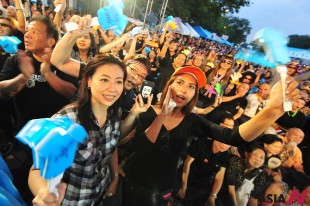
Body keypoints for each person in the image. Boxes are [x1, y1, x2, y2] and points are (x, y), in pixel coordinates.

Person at [121, 65, 300, 206]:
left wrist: (271, 111)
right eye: (180, 82)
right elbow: (141, 149)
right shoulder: (149, 110)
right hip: (133, 183)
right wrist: (163, 114)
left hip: (162, 190)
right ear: (170, 85)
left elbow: (233, 137)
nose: (184, 89)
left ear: (194, 95)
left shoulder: (193, 120)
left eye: (191, 87)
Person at [28, 54, 152, 205]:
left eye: (118, 81)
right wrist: (44, 192)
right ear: (89, 81)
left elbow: (113, 143)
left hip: (100, 193)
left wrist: (115, 175)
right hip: (72, 200)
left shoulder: (114, 112)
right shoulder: (68, 120)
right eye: (104, 79)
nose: (112, 88)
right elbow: (37, 169)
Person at [177, 115, 234, 206]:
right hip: (186, 179)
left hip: (202, 185)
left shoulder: (225, 154)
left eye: (228, 144)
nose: (224, 145)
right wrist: (183, 187)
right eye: (222, 141)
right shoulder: (201, 144)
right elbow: (187, 164)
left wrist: (213, 196)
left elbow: (219, 177)